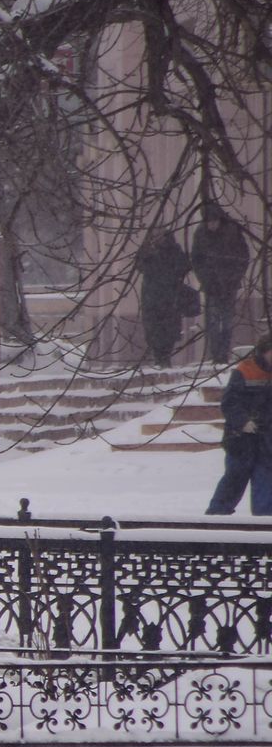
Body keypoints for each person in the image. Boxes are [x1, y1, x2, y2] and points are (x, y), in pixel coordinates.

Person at [206, 335, 272, 516]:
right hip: (241, 440)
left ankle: (265, 525)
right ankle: (216, 519)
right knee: (234, 480)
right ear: (264, 351)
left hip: (267, 442)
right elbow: (230, 402)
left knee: (265, 485)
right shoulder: (245, 370)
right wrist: (243, 422)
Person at [191, 205, 252, 365]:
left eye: (213, 222)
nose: (211, 225)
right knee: (212, 321)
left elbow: (243, 255)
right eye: (208, 222)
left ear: (218, 220)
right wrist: (204, 278)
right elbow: (196, 259)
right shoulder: (201, 233)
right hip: (211, 285)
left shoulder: (231, 231)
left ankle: (223, 354)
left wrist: (234, 275)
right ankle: (215, 354)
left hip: (229, 284)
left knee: (226, 322)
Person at [136, 229, 193, 367]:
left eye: (160, 236)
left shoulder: (173, 250)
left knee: (169, 331)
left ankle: (165, 357)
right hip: (152, 299)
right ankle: (159, 357)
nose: (157, 239)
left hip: (170, 298)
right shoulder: (147, 252)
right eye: (154, 237)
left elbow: (185, 266)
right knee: (153, 330)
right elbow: (140, 266)